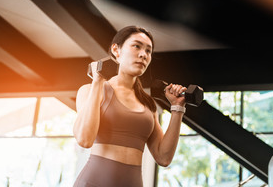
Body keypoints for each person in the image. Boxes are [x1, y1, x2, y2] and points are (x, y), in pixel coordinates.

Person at [73, 26, 187, 187]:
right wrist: (97, 82)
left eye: (148, 51)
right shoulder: (90, 90)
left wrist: (177, 109)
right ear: (116, 50)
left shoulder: (148, 104)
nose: (143, 54)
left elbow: (164, 157)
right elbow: (84, 140)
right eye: (136, 46)